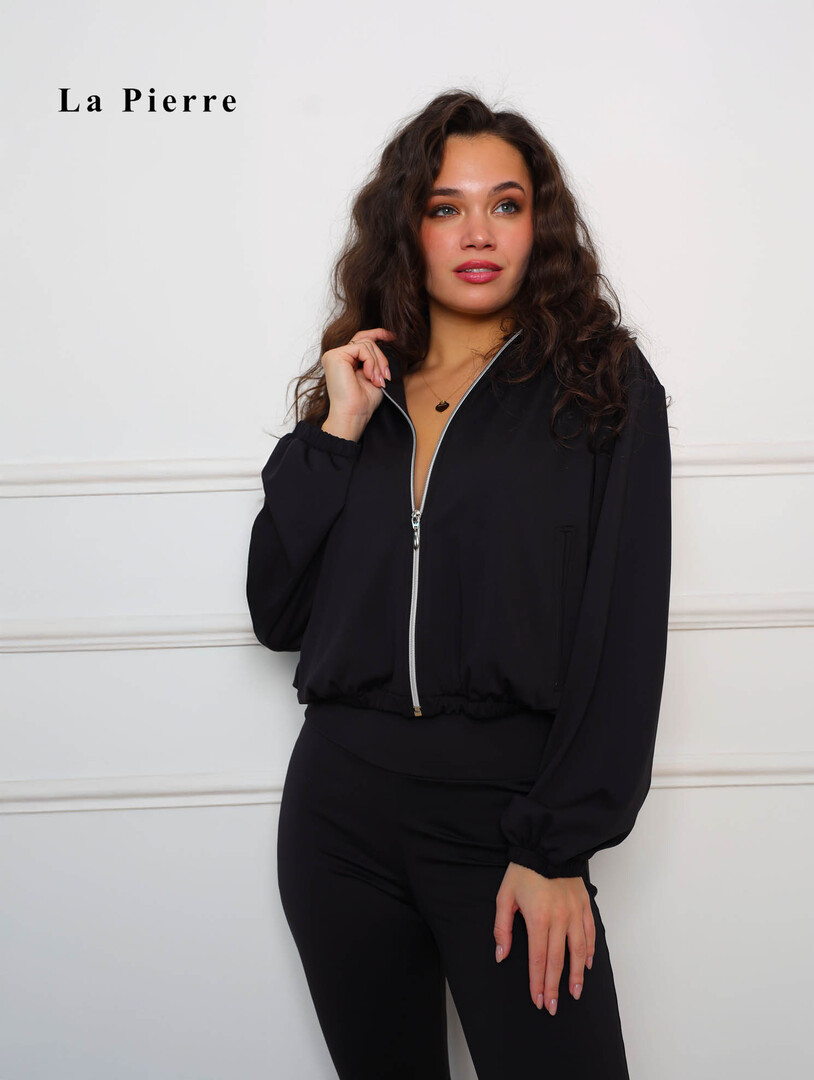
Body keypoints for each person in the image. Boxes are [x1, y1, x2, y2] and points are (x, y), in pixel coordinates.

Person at [246, 89, 672, 1080]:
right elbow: (277, 613)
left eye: (504, 204)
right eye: (445, 207)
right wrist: (336, 432)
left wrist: (558, 847)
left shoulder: (599, 383)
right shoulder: (360, 389)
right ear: (409, 227)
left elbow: (621, 630)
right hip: (338, 821)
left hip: (508, 821)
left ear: (539, 224)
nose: (477, 232)